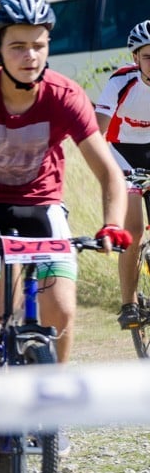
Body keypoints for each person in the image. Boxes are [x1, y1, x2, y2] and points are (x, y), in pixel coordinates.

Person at [0, 0, 129, 464]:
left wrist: (112, 223)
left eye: (39, 45)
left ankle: (50, 410)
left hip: (43, 206)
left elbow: (108, 172)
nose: (30, 56)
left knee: (60, 309)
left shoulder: (65, 95)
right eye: (18, 46)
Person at [94, 20, 150, 329]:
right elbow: (97, 130)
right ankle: (129, 303)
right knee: (135, 230)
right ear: (135, 59)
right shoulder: (121, 82)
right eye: (149, 56)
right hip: (122, 152)